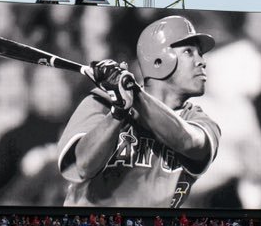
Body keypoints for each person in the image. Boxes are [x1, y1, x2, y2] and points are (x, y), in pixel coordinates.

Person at [57, 15, 221, 209]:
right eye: (189, 52)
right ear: (159, 61)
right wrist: (118, 112)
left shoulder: (200, 122)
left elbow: (186, 141)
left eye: (200, 54)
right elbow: (83, 165)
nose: (202, 61)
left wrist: (133, 94)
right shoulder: (102, 102)